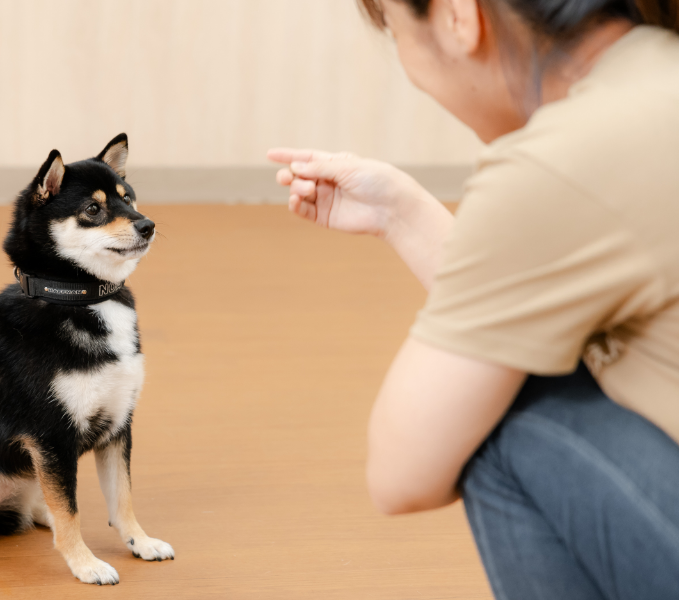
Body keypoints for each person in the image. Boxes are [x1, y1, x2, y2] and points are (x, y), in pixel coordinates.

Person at [269, 1, 679, 598]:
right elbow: (532, 300)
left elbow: (402, 471)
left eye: (395, 28)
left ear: (458, 16)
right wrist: (400, 213)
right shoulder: (657, 73)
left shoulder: (563, 161)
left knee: (499, 427)